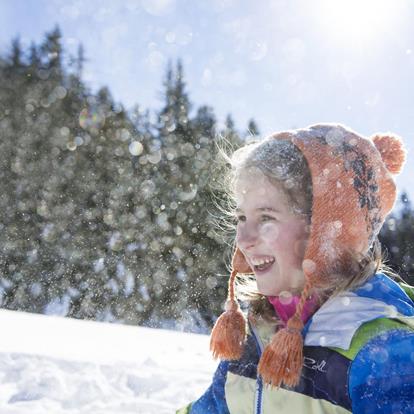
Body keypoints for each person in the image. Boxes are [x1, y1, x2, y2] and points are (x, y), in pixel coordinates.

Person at [177, 123, 414, 414]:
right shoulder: (258, 334)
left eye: (266, 217)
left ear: (327, 232)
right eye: (241, 217)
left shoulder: (383, 352)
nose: (243, 238)